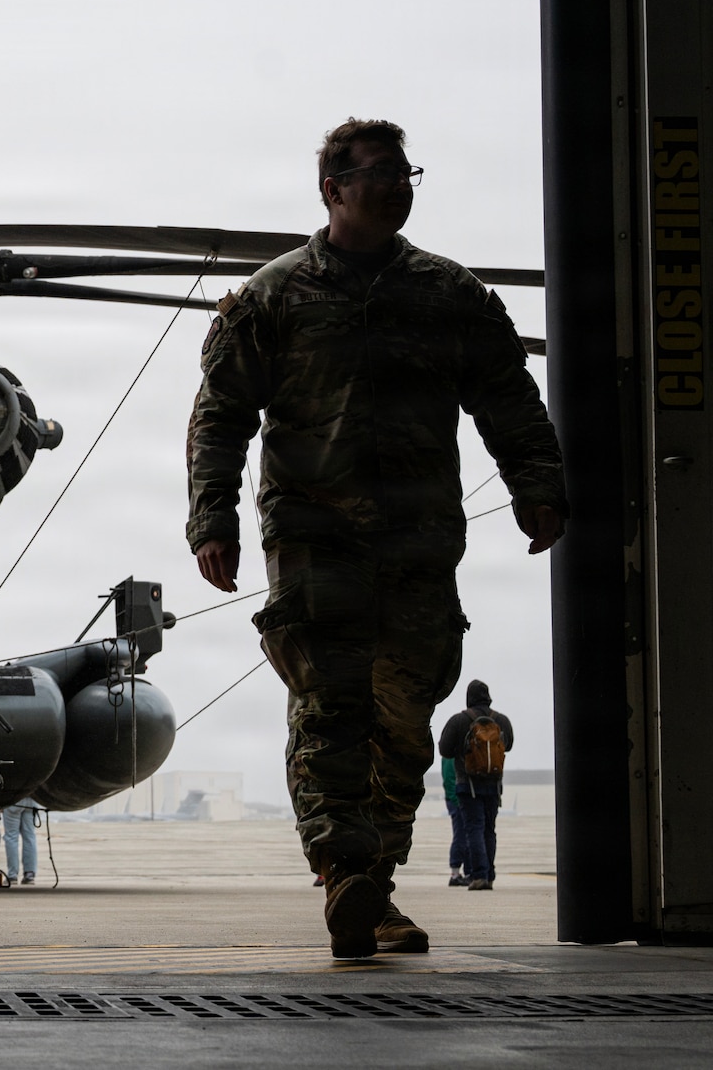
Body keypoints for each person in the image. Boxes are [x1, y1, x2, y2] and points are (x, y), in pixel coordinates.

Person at [186, 119, 566, 959]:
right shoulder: (273, 298)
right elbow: (220, 416)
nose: (398, 187)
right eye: (381, 174)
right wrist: (210, 518)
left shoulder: (448, 294)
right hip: (315, 541)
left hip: (420, 541)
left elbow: (508, 396)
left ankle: (375, 881)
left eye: (407, 174)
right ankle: (347, 874)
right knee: (329, 705)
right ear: (333, 188)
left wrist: (537, 484)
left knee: (406, 713)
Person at [438, 679, 514, 890]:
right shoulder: (501, 720)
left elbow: (444, 750)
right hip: (494, 784)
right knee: (489, 830)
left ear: (468, 698)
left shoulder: (459, 720)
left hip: (467, 784)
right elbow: (508, 745)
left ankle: (479, 875)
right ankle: (489, 875)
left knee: (474, 829)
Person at [443, 754, 468, 886]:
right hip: (457, 800)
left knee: (463, 836)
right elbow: (449, 779)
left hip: (457, 799)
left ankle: (461, 871)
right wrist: (456, 800)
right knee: (460, 836)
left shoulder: (450, 754)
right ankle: (455, 873)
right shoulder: (451, 756)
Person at [2, 799, 40, 885]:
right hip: (32, 799)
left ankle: (12, 875)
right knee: (30, 837)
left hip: (13, 799)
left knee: (11, 837)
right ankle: (29, 874)